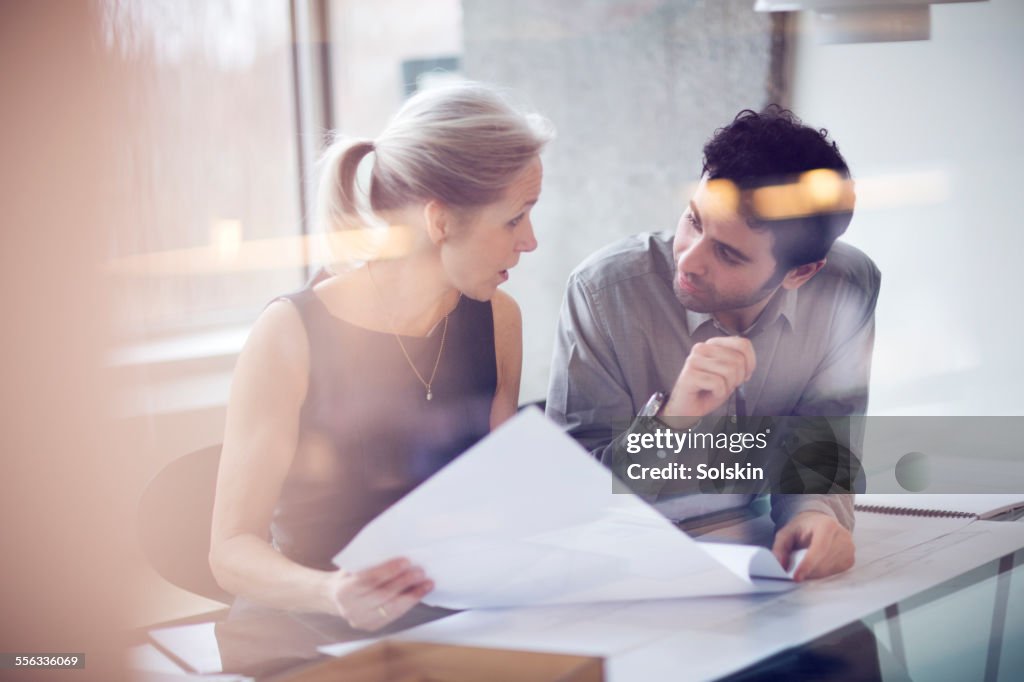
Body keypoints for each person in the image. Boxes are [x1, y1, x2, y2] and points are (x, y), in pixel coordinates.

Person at [210, 82, 552, 632]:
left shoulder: (498, 317)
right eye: (514, 218)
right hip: (311, 626)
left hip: (450, 616)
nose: (530, 241)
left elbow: (496, 495)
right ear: (439, 221)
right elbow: (229, 551)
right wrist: (332, 593)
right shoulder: (288, 333)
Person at [547, 106, 879, 581]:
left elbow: (822, 440)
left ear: (800, 273)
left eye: (727, 253)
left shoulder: (847, 288)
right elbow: (572, 499)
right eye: (694, 221)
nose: (690, 261)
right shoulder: (603, 293)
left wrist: (815, 515)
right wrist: (671, 421)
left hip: (754, 558)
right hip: (629, 571)